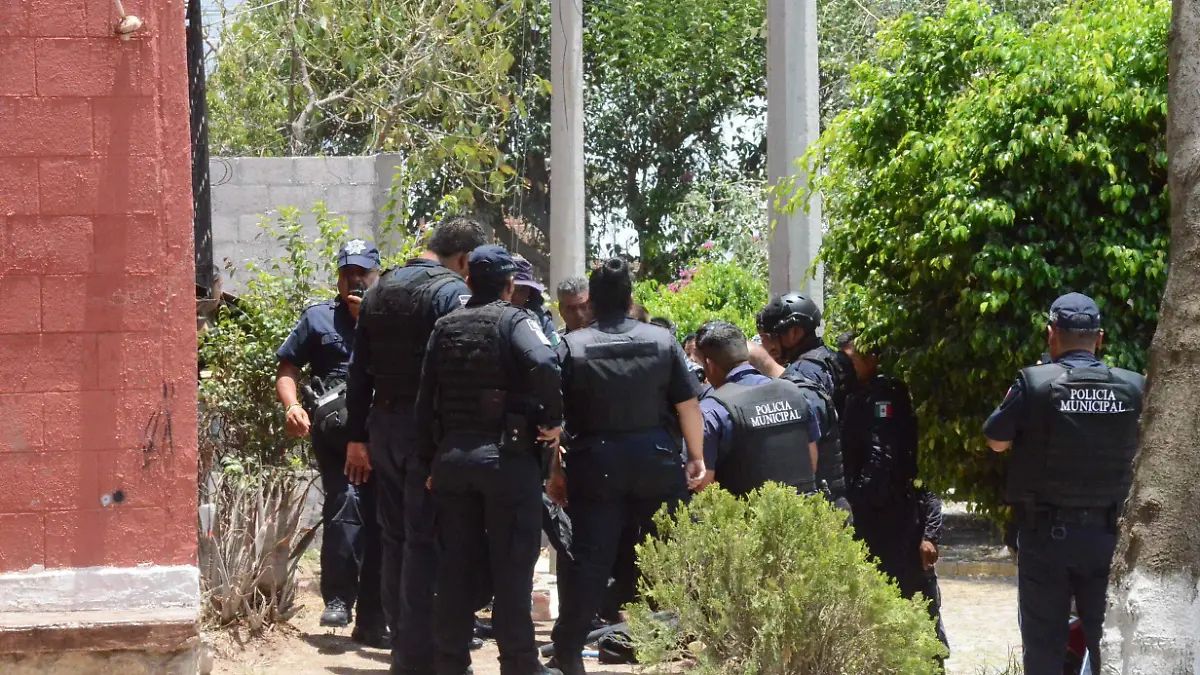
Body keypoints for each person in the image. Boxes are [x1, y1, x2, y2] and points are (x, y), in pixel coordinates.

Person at [546, 258, 707, 675]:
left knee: (589, 560)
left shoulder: (572, 347)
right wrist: (697, 457)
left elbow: (552, 420)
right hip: (655, 460)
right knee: (667, 554)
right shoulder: (661, 341)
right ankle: (673, 642)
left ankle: (568, 649)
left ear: (593, 302)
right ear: (631, 298)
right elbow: (688, 406)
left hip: (596, 463)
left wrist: (555, 471)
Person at [345, 216, 488, 674]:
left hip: (382, 426)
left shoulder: (379, 290)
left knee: (394, 538)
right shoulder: (451, 293)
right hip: (427, 431)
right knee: (432, 540)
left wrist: (356, 435)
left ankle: (404, 651)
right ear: (464, 259)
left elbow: (357, 371)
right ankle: (428, 655)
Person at [415, 245, 564, 675]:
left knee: (455, 572)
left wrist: (429, 464)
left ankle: (451, 664)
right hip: (506, 460)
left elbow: (426, 404)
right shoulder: (516, 320)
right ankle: (519, 665)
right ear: (509, 284)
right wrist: (553, 421)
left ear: (467, 281)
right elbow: (546, 363)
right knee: (512, 574)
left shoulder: (444, 327)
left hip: (453, 462)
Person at [983, 293, 1144, 675]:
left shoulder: (1034, 383)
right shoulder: (1134, 387)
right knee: (1110, 646)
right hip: (1109, 538)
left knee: (1044, 648)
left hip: (1046, 538)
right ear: (1099, 338)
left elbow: (996, 440)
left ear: (1050, 334)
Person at [275, 240, 386, 646]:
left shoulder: (393, 318)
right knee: (344, 505)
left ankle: (374, 619)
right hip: (335, 433)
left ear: (377, 274)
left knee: (381, 522)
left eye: (362, 272)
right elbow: (287, 369)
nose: (354, 279)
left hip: (384, 433)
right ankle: (338, 599)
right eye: (347, 272)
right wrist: (291, 407)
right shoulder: (318, 318)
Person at [838, 333, 948, 653]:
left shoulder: (885, 397)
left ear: (870, 359)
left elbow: (883, 461)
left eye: (851, 359)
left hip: (894, 524)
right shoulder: (852, 396)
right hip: (873, 523)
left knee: (915, 605)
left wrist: (853, 501)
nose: (845, 367)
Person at [693, 321, 820, 497]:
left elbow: (703, 484)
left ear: (710, 364)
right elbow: (811, 463)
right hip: (803, 514)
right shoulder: (795, 393)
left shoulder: (711, 410)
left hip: (746, 520)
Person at [748, 295, 851, 510]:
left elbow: (805, 433)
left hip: (824, 493)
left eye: (768, 337)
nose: (764, 344)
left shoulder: (805, 372)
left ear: (794, 333)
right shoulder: (831, 358)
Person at [512, 254, 558, 344]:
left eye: (522, 290)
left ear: (530, 292)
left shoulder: (541, 320)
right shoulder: (489, 314)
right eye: (512, 289)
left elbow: (555, 350)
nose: (515, 295)